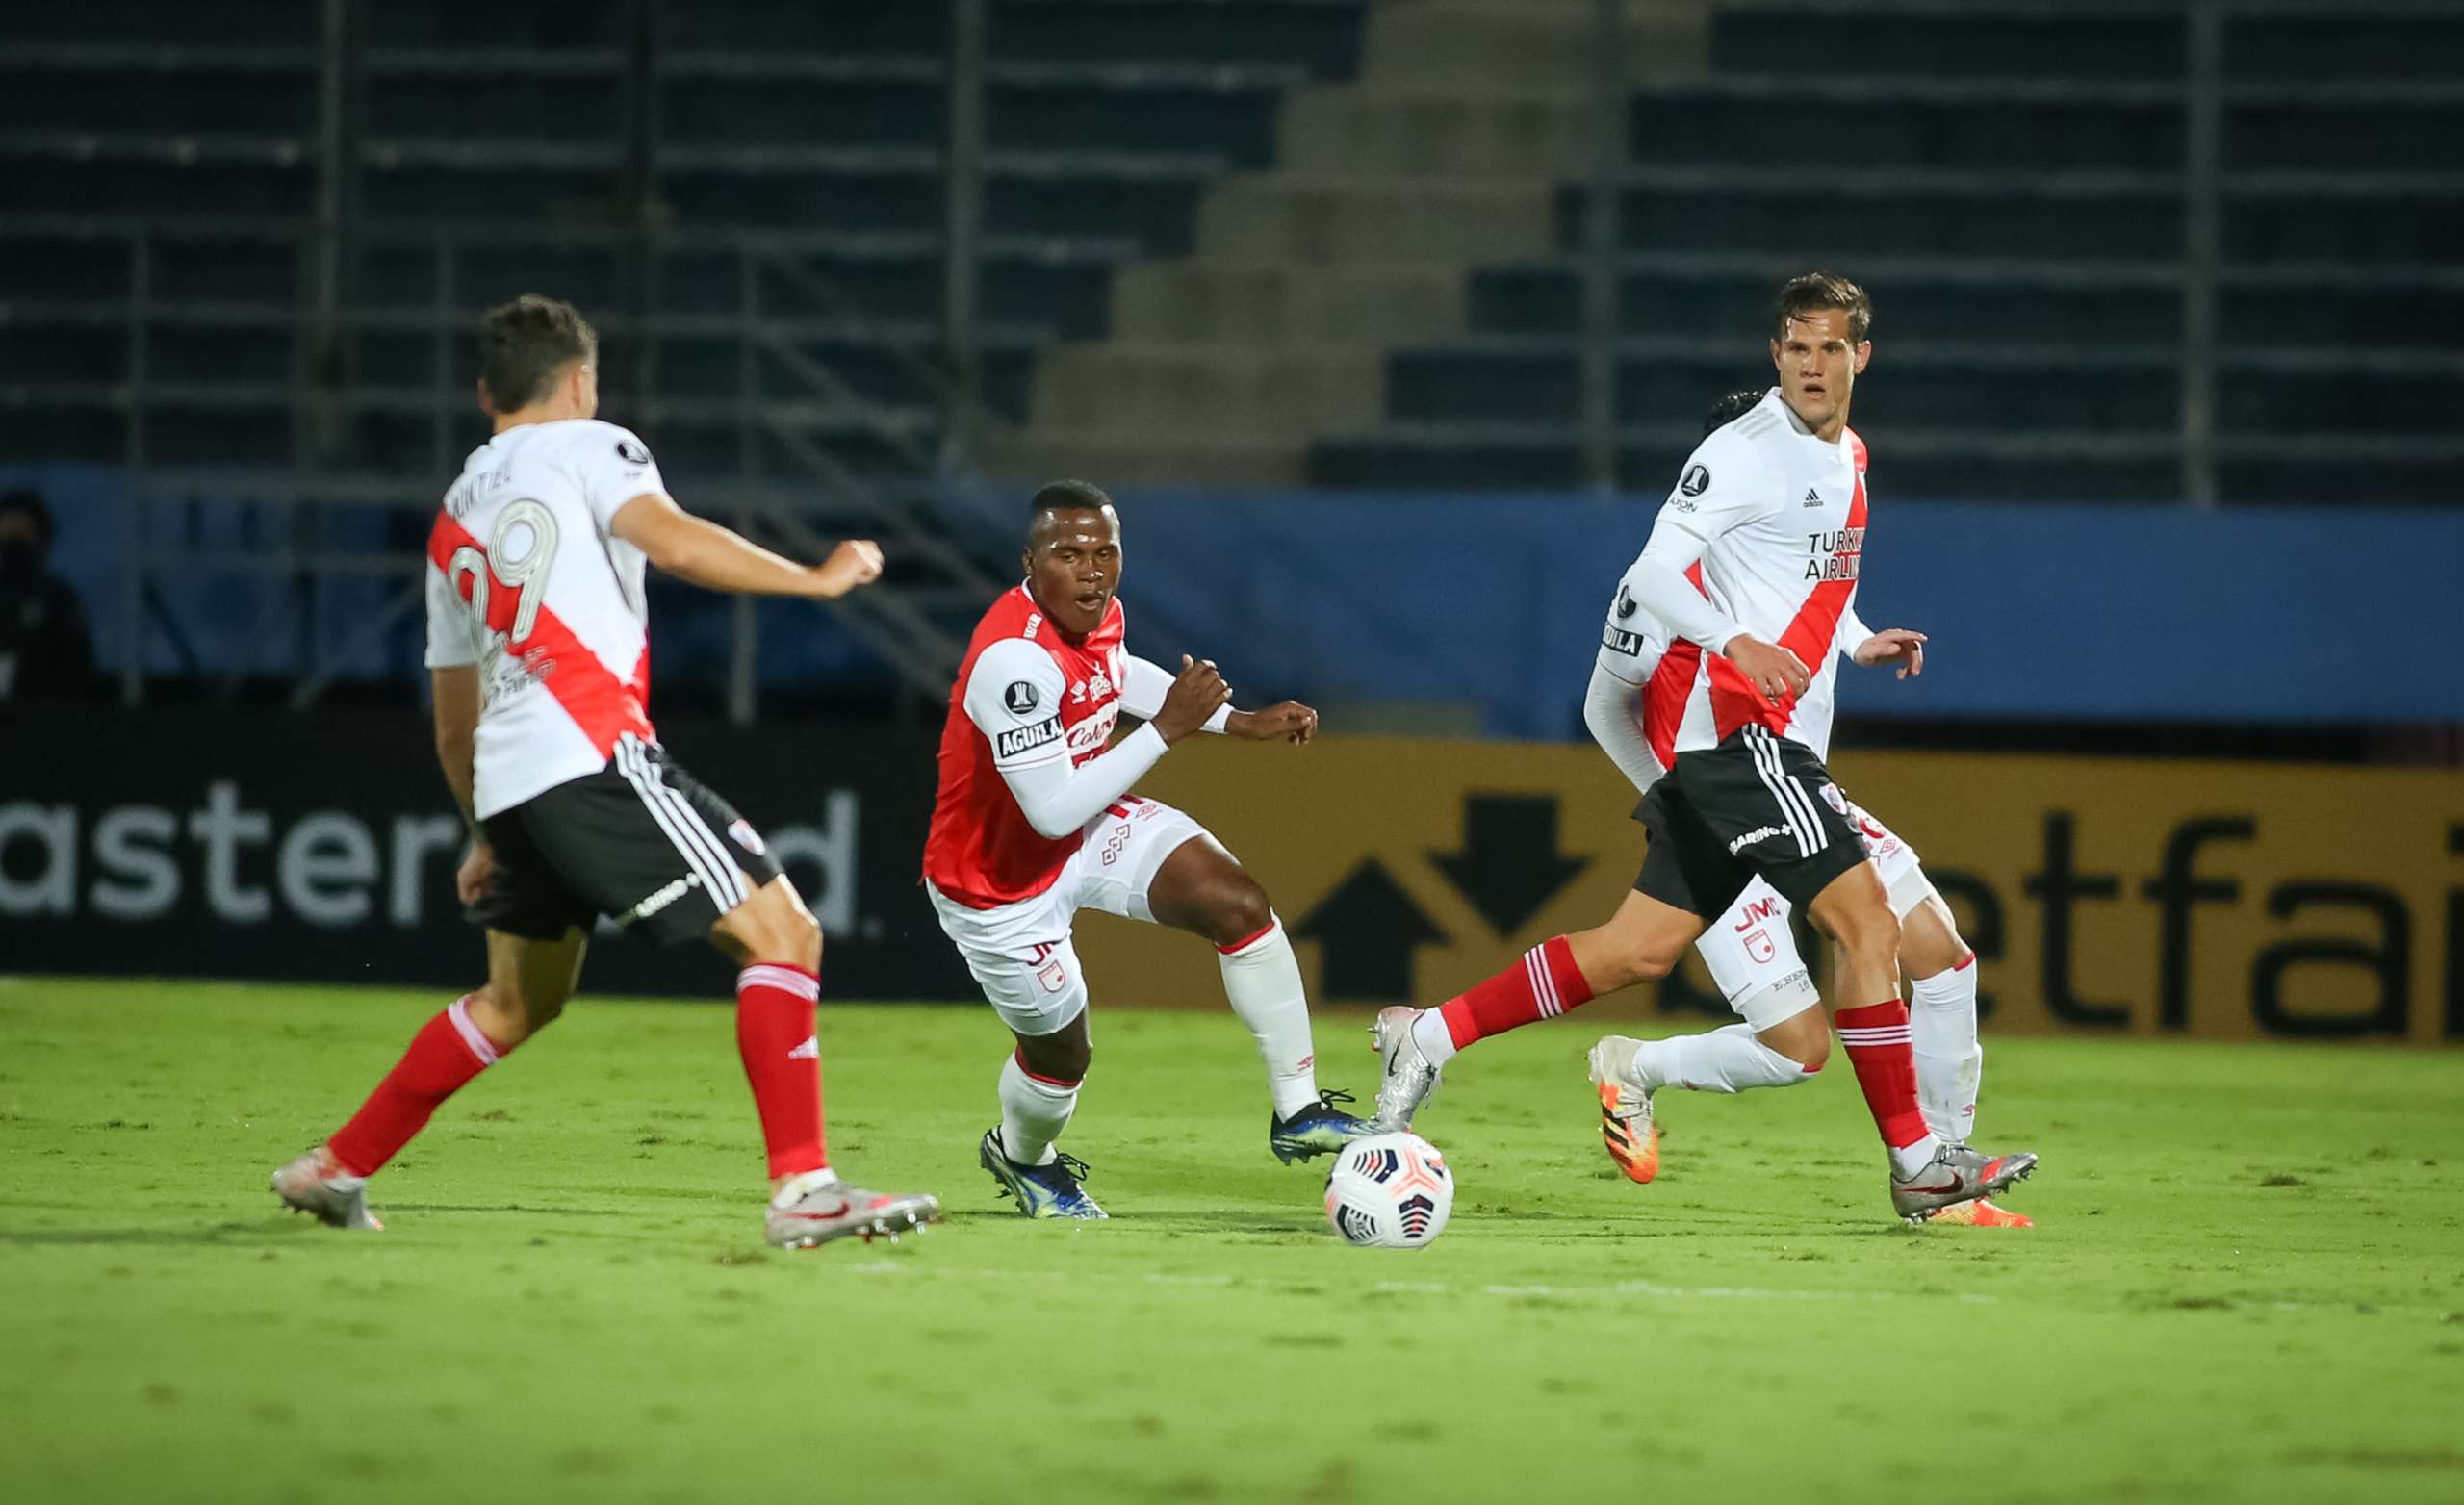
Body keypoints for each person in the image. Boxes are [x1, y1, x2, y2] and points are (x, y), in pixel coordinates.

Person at [270, 293, 939, 1248]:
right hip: (589, 750)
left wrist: (482, 830)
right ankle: (805, 1190)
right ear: (580, 381)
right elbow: (671, 541)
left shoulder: (451, 522)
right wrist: (814, 577)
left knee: (515, 1003)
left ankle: (336, 1169)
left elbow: (453, 720)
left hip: (511, 777)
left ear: (484, 393)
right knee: (784, 934)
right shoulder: (593, 446)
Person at [1371, 273, 2038, 1225]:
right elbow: (1650, 569)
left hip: (1747, 760)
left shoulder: (1845, 454)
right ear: (1774, 355)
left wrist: (1856, 642)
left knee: (1637, 952)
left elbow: (1809, 575)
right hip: (1740, 743)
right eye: (1796, 347)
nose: (1812, 365)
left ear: (1860, 357)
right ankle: (1923, 1168)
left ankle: (1428, 1038)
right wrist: (1731, 645)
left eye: (1830, 348)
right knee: (1870, 931)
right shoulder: (1743, 451)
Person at [1580, 388, 2027, 1228]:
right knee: (1798, 1048)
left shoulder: (1797, 525)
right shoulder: (1655, 592)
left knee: (1942, 955)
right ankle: (1633, 1065)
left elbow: (1822, 584)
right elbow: (1606, 709)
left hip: (1805, 791)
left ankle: (1944, 1178)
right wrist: (1673, 802)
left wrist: (1858, 642)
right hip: (1724, 808)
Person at [922, 480, 1376, 1219]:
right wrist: (1168, 728)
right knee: (1062, 1057)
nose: (1094, 571)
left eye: (1106, 552)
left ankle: (1298, 1111)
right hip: (999, 885)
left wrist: (1240, 722)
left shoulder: (1095, 613)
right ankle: (1023, 1155)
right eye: (1070, 555)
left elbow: (1118, 674)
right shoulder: (1013, 664)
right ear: (1030, 564)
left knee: (1238, 903)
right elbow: (1049, 811)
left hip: (1083, 829)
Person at [0, 488, 98, 703]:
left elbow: (78, 665)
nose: (14, 537)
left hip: (43, 715)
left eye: (23, 530)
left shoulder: (58, 598)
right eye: (8, 530)